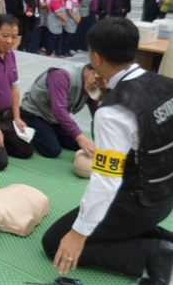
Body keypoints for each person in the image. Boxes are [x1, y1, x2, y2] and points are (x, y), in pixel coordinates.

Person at [42, 18, 173, 285]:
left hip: (137, 204)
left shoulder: (114, 112)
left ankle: (153, 255)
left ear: (96, 57)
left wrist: (79, 233)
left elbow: (106, 180)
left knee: (54, 242)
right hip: (164, 197)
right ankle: (163, 239)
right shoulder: (164, 83)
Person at [0, 15, 34, 171]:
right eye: (4, 36)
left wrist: (17, 117)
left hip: (7, 116)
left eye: (13, 37)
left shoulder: (11, 55)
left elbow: (15, 87)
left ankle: (0, 141)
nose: (9, 41)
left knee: (27, 150)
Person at [20, 63, 99, 158]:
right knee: (52, 150)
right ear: (92, 72)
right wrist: (80, 137)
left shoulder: (94, 80)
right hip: (34, 113)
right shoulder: (62, 75)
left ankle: (49, 132)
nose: (98, 84)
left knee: (79, 144)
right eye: (97, 81)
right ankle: (23, 126)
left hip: (54, 118)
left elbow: (96, 111)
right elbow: (59, 110)